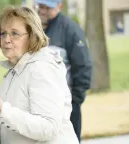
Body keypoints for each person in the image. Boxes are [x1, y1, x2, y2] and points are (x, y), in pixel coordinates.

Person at [0, 6, 79, 144]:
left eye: (14, 33)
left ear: (32, 35)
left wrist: (3, 112)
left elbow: (48, 127)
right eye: (2, 33)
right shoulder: (16, 68)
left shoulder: (42, 68)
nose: (6, 39)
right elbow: (18, 116)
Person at [34, 0, 92, 142]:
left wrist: (74, 101)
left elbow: (83, 66)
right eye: (40, 6)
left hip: (67, 106)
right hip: (41, 105)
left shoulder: (71, 30)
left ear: (59, 6)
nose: (42, 10)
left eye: (47, 7)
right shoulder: (35, 29)